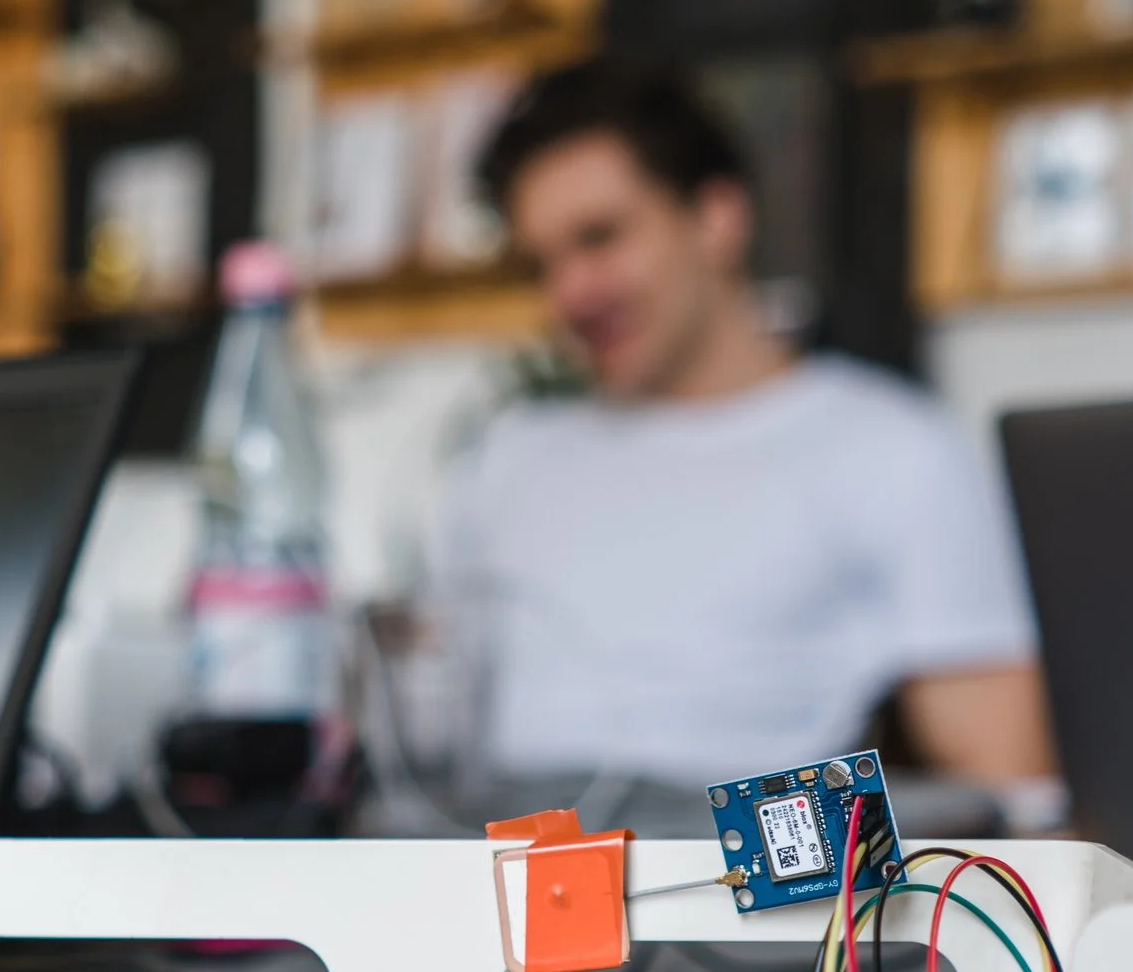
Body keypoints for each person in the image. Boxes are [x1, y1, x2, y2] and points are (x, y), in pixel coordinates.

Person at [433, 58, 1055, 790]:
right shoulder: (509, 456)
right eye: (542, 264)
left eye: (600, 238)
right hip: (498, 876)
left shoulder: (889, 450)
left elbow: (1012, 792)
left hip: (740, 882)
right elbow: (421, 726)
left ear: (716, 218)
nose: (571, 292)